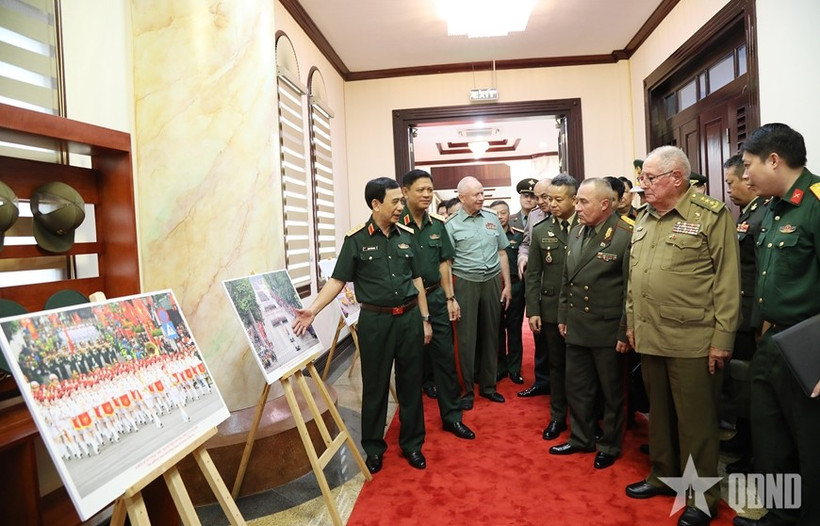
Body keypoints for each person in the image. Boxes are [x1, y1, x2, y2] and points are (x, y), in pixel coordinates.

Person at [624, 145, 740, 526]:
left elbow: (726, 280)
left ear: (677, 178)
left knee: (696, 422)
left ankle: (702, 497)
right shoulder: (643, 217)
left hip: (693, 338)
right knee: (659, 415)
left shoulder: (710, 215)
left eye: (649, 178)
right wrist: (631, 322)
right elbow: (634, 277)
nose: (643, 186)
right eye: (642, 179)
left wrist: (722, 338)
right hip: (650, 333)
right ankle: (662, 475)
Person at [293, 177, 433, 474]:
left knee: (410, 384)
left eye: (400, 200)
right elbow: (337, 280)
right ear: (375, 204)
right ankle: (373, 447)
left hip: (408, 318)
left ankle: (412, 445)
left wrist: (424, 319)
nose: (400, 206)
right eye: (394, 201)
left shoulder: (406, 235)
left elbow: (418, 280)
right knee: (375, 386)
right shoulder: (356, 240)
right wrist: (313, 310)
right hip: (375, 321)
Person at [733, 123, 820, 526]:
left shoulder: (816, 203)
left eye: (749, 166)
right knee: (771, 438)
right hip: (769, 341)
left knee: (811, 444)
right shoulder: (769, 208)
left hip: (808, 348)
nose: (744, 175)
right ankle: (779, 515)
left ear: (774, 159)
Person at [549, 178, 631, 470]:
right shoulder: (577, 230)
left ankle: (609, 443)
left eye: (584, 201)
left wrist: (624, 329)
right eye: (578, 200)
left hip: (607, 328)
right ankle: (581, 437)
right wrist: (562, 315)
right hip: (577, 325)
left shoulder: (625, 234)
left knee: (611, 391)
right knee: (577, 387)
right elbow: (566, 279)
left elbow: (629, 291)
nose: (577, 206)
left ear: (605, 205)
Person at [400, 169, 475, 440]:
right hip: (408, 304)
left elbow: (445, 263)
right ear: (405, 191)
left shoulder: (437, 225)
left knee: (445, 359)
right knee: (412, 366)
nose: (426, 194)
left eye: (429, 190)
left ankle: (452, 417)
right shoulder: (396, 225)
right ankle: (412, 430)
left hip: (435, 298)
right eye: (420, 189)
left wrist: (450, 297)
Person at [445, 176, 512, 410]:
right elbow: (448, 263)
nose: (482, 198)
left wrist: (508, 285)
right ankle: (466, 391)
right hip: (465, 282)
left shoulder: (492, 219)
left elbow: (503, 253)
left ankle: (489, 386)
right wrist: (451, 297)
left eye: (482, 193)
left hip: (492, 280)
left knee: (492, 334)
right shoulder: (451, 225)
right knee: (466, 339)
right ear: (462, 198)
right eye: (476, 195)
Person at [721, 153, 768, 475]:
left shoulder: (765, 214)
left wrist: (758, 319)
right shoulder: (746, 214)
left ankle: (755, 453)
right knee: (740, 384)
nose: (729, 189)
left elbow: (763, 272)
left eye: (731, 182)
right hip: (739, 313)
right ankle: (741, 440)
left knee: (753, 387)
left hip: (753, 316)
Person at [525, 174, 579, 440]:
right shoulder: (541, 230)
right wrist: (532, 310)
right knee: (556, 366)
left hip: (581, 310)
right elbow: (533, 273)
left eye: (558, 199)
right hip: (549, 309)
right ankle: (558, 417)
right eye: (550, 199)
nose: (552, 204)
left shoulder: (586, 226)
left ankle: (584, 418)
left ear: (574, 199)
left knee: (579, 368)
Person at [517, 178, 553, 398]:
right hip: (539, 285)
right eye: (536, 197)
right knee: (539, 335)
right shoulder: (534, 216)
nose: (539, 202)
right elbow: (526, 242)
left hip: (560, 286)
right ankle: (542, 381)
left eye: (544, 197)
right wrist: (522, 257)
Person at [490, 200, 525, 384]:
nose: (500, 216)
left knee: (514, 328)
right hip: (494, 287)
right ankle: (500, 367)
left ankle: (514, 369)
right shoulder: (487, 236)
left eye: (503, 213)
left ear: (509, 214)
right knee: (496, 329)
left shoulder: (518, 236)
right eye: (496, 213)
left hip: (515, 286)